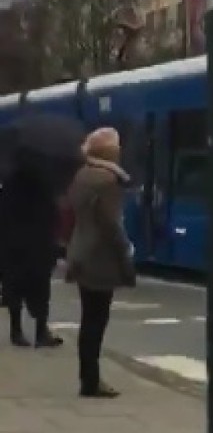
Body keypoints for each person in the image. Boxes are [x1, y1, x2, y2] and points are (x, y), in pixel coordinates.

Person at [65, 128, 135, 398]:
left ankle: (87, 376)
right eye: (117, 146)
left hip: (82, 252)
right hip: (101, 258)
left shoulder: (82, 176)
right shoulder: (108, 181)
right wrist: (126, 251)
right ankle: (91, 381)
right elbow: (111, 224)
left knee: (88, 319)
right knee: (97, 320)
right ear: (109, 152)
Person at [0, 150, 64, 348]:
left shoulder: (9, 182)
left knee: (14, 288)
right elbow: (53, 214)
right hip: (39, 243)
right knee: (41, 289)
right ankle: (40, 332)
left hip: (12, 244)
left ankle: (16, 331)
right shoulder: (45, 183)